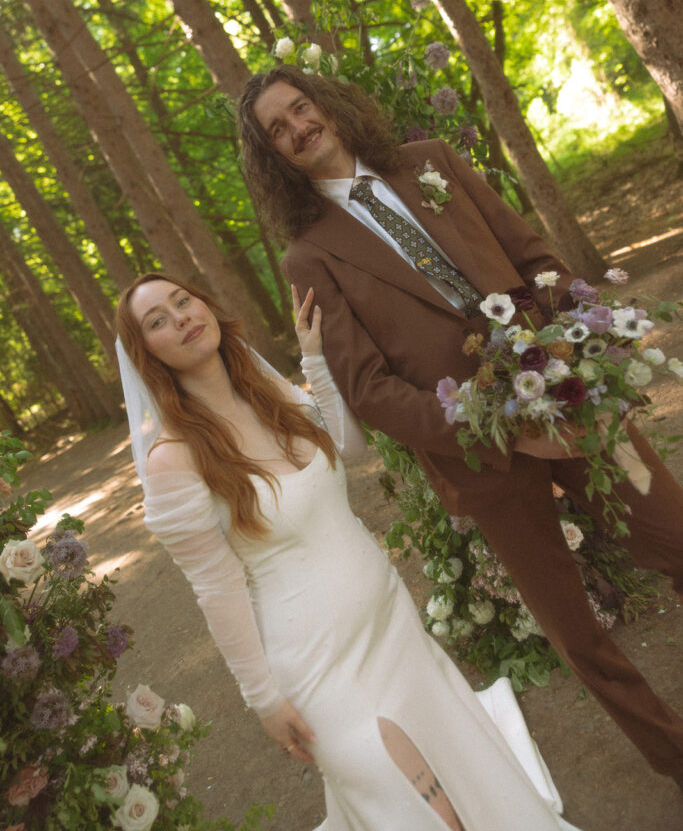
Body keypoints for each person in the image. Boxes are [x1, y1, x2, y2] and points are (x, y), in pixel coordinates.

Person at [237, 64, 683, 789]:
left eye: (300, 108)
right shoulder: (308, 256)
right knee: (577, 634)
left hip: (567, 393)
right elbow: (369, 389)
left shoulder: (431, 162)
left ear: (329, 104)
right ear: (272, 157)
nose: (296, 128)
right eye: (276, 131)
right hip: (481, 460)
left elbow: (528, 252)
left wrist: (580, 343)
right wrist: (490, 423)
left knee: (674, 535)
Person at [116, 272, 581, 830]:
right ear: (147, 353)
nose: (182, 318)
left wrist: (314, 359)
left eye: (183, 301)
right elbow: (216, 588)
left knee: (456, 765)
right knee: (407, 798)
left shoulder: (270, 397)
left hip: (388, 617)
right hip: (313, 660)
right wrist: (263, 699)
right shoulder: (175, 459)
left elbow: (345, 446)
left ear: (207, 305)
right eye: (158, 321)